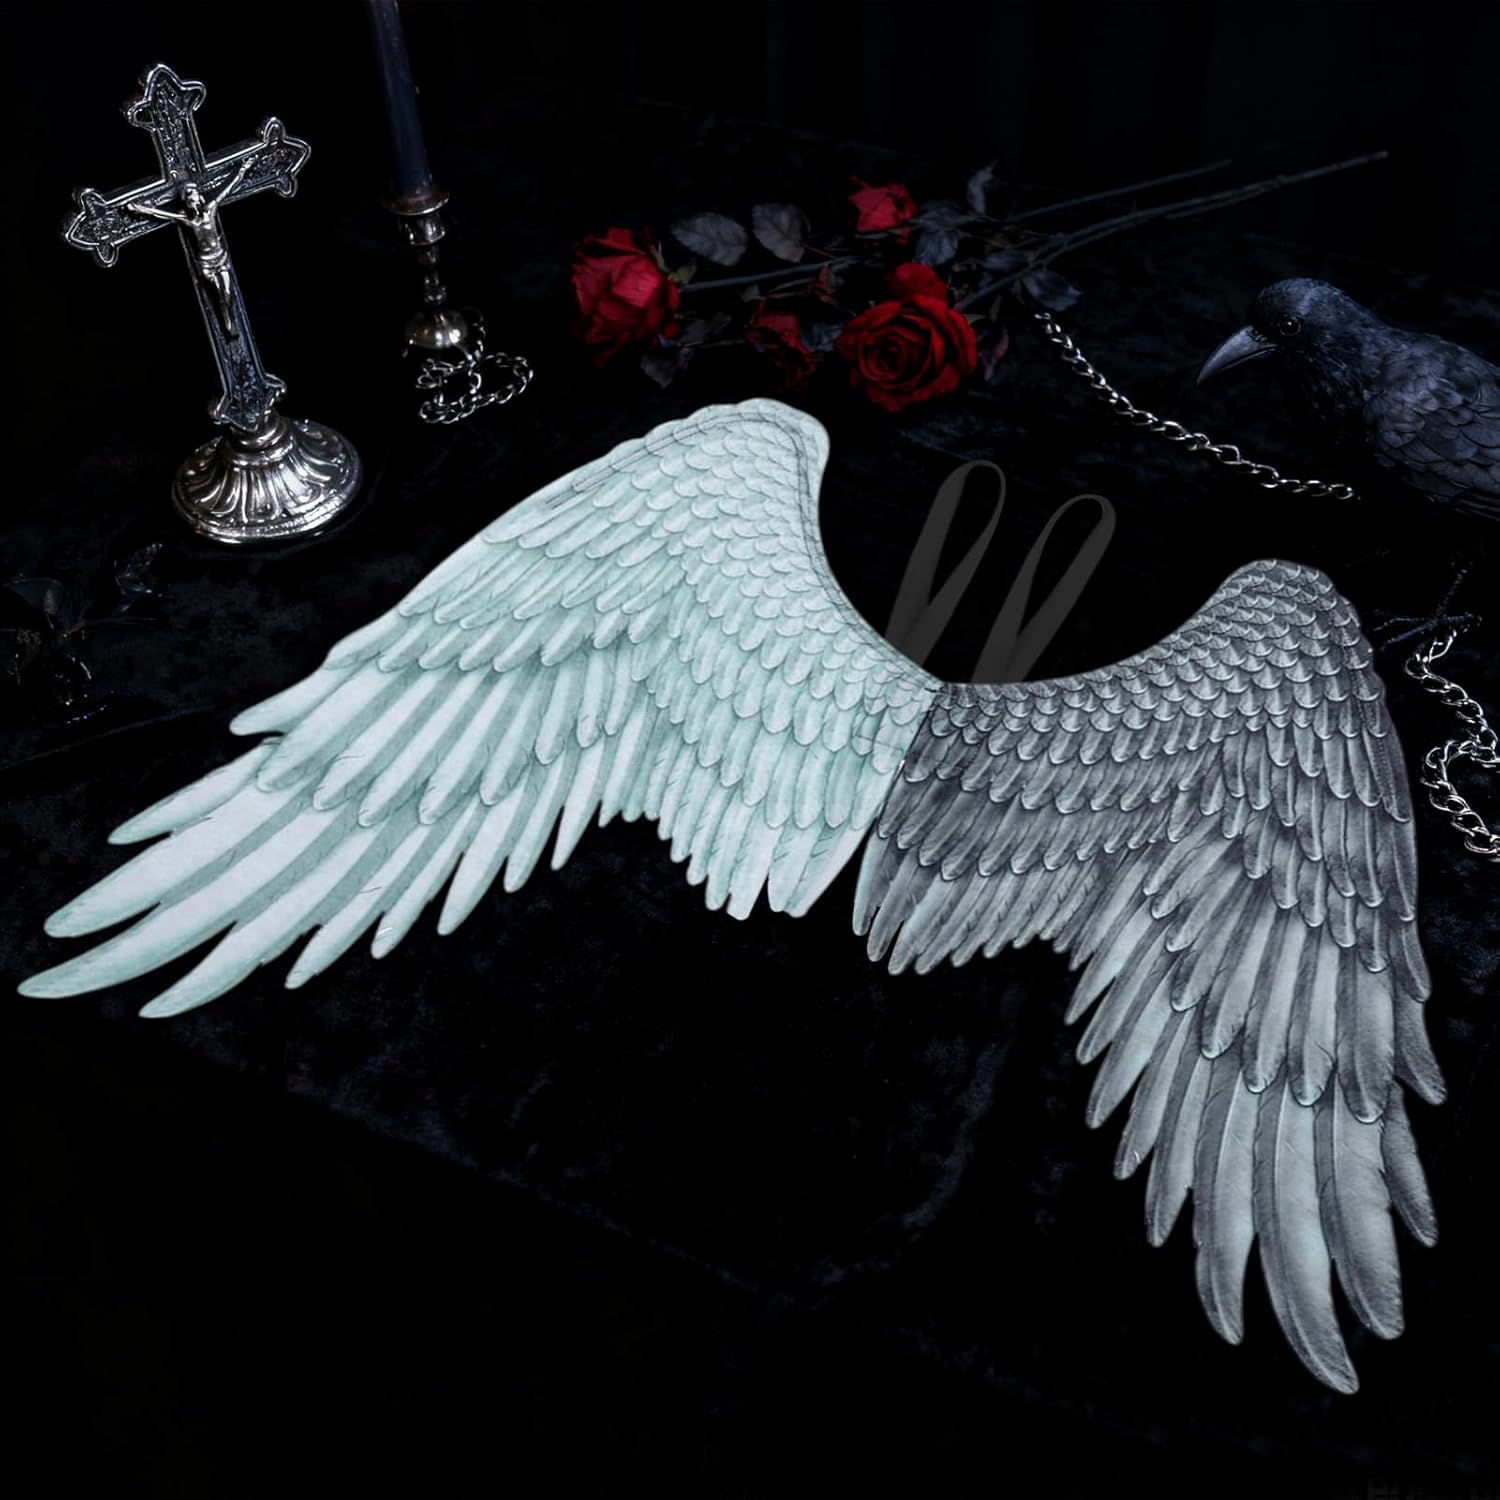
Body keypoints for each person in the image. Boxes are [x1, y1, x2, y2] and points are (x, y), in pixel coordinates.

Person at [129, 157, 254, 340]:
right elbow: (163, 214)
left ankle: (230, 323)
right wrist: (141, 209)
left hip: (220, 258)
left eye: (192, 194)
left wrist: (242, 169)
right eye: (187, 196)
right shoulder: (188, 219)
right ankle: (227, 325)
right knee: (215, 295)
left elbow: (227, 188)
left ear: (199, 196)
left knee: (227, 293)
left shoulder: (210, 209)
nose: (190, 198)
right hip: (205, 264)